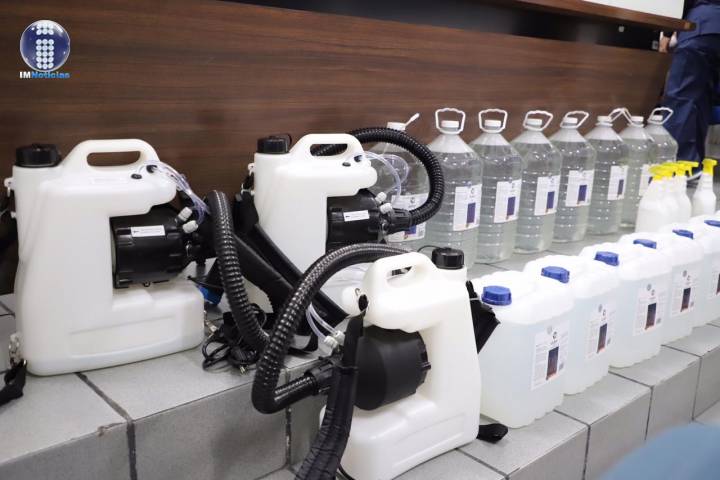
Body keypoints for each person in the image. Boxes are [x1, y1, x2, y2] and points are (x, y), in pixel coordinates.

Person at [662, 0, 720, 162]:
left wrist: (667, 33)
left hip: (703, 26)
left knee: (683, 98)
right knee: (702, 99)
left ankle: (678, 164)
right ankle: (691, 165)